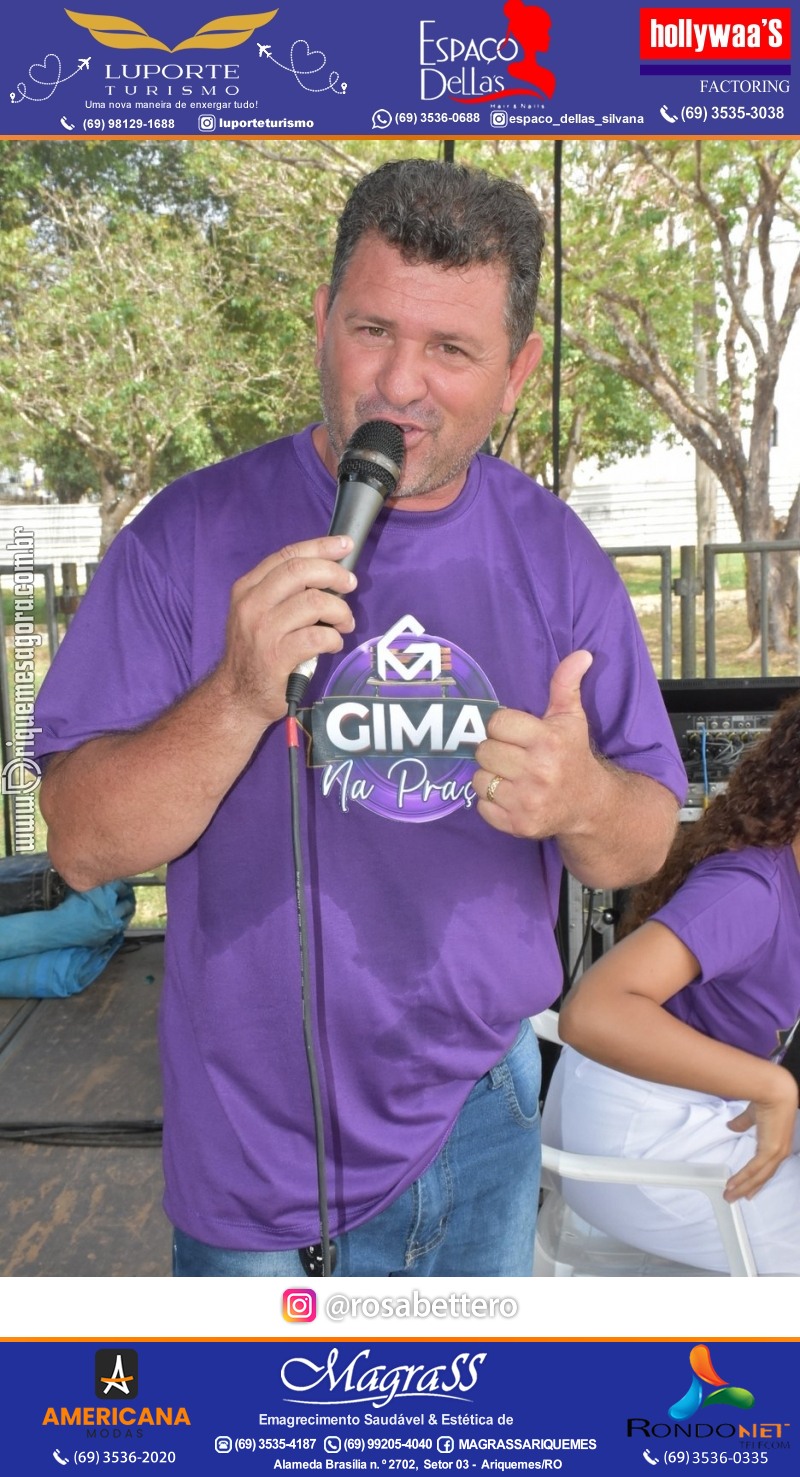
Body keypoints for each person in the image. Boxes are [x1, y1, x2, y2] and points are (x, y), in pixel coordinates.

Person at [34, 158, 686, 1278]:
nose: (399, 383)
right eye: (372, 329)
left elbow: (641, 838)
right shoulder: (183, 535)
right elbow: (86, 841)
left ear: (517, 370)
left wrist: (581, 799)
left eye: (450, 349)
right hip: (256, 1149)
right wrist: (237, 695)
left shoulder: (554, 555)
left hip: (482, 1116)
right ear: (320, 321)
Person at [545, 694, 800, 1275]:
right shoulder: (750, 889)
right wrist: (772, 1087)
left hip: (699, 1105)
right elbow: (592, 1013)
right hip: (643, 1138)